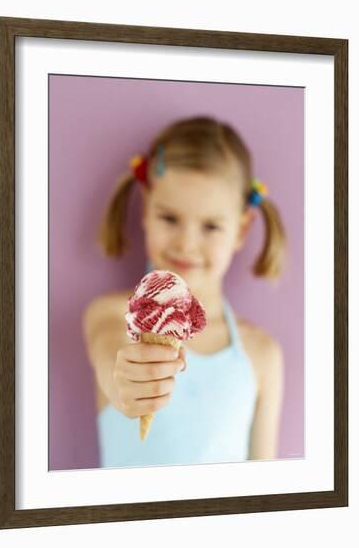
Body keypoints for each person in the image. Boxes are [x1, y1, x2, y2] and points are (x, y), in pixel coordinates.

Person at [83, 115, 287, 468]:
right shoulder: (111, 316)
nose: (186, 243)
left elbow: (263, 490)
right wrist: (126, 384)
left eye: (211, 226)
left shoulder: (262, 355)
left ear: (240, 230)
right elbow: (110, 356)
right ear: (146, 209)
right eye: (169, 218)